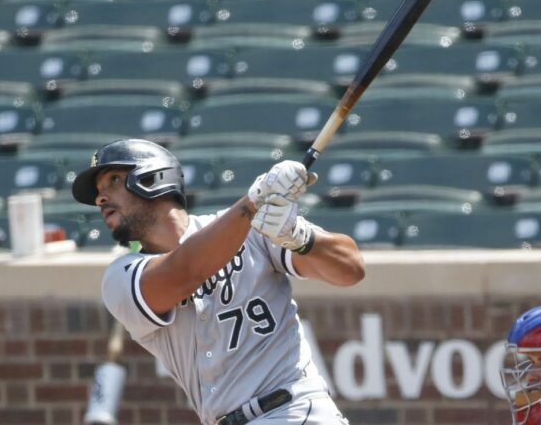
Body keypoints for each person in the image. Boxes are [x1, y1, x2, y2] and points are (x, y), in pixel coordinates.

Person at [72, 139, 364, 425]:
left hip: (294, 410)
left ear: (152, 177)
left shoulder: (250, 228)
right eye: (98, 192)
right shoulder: (119, 277)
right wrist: (253, 203)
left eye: (113, 180)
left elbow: (350, 269)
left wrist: (300, 237)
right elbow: (187, 270)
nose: (100, 198)